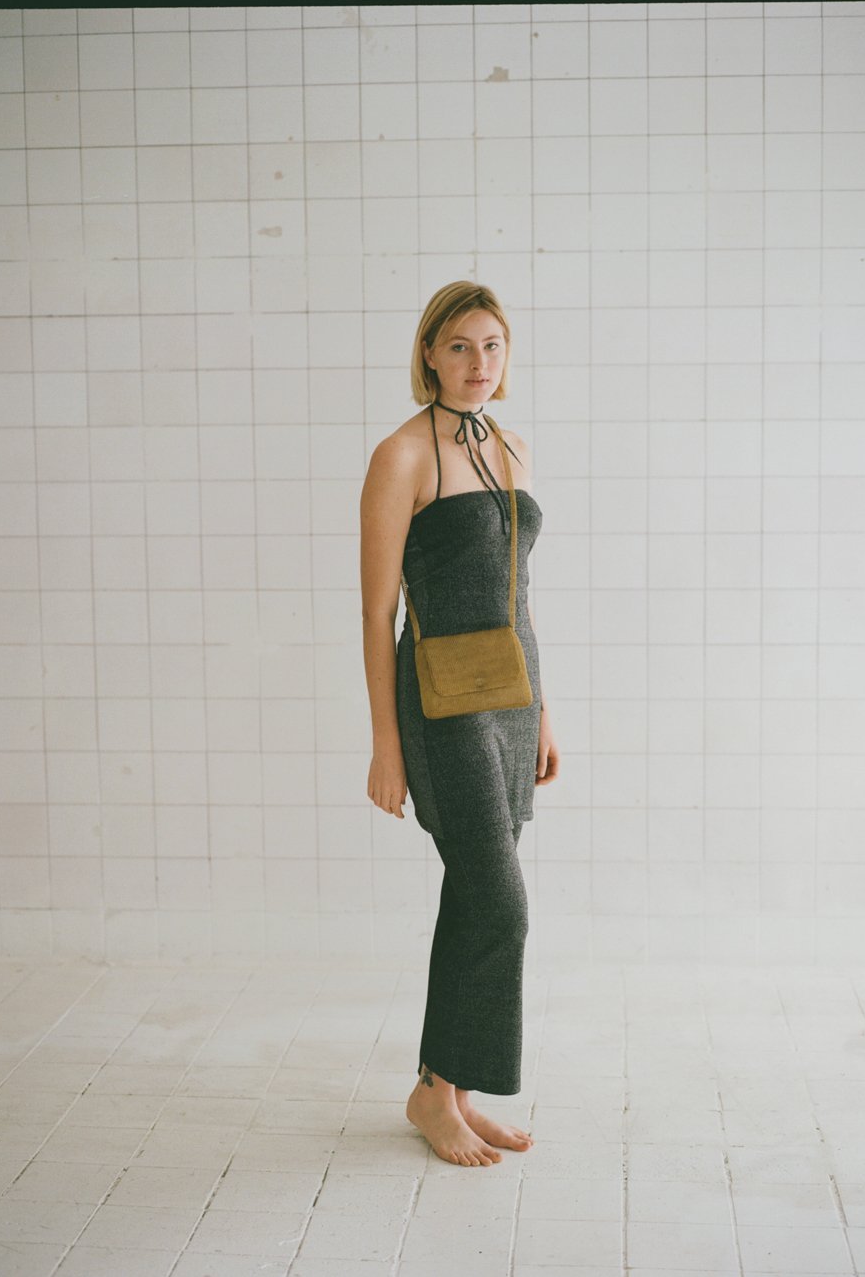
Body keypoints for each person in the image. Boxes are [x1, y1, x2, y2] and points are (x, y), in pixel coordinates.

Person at [359, 281, 560, 1167]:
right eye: (460, 346)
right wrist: (386, 744)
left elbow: (521, 595)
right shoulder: (402, 455)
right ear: (429, 355)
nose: (479, 363)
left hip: (511, 699)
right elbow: (377, 613)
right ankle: (436, 1090)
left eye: (492, 345)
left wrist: (543, 711)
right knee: (500, 899)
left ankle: (447, 1093)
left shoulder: (510, 446)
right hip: (441, 701)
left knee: (475, 893)